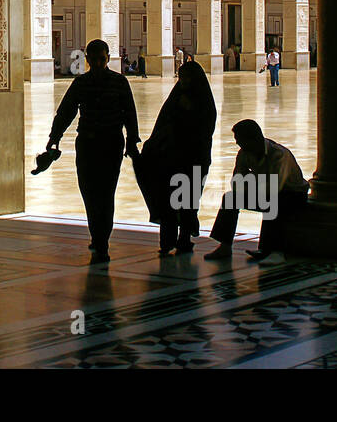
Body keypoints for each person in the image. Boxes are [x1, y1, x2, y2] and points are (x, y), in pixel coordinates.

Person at [45, 39, 140, 263]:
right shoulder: (81, 83)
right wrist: (54, 138)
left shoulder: (119, 82)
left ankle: (102, 240)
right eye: (94, 59)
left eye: (102, 59)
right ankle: (97, 235)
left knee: (105, 194)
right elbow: (66, 111)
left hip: (110, 143)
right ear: (87, 59)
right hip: (87, 144)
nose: (98, 64)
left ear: (108, 59)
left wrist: (132, 141)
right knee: (89, 192)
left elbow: (130, 113)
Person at [132, 59, 216, 256]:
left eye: (187, 78)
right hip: (171, 160)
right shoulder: (176, 98)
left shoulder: (203, 101)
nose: (184, 82)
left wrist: (189, 114)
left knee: (188, 201)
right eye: (181, 77)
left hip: (194, 158)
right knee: (169, 200)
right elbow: (163, 124)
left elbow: (205, 130)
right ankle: (167, 242)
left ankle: (184, 239)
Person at [205, 120, 309, 261]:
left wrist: (250, 182)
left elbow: (275, 187)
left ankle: (275, 252)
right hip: (267, 192)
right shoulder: (244, 153)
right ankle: (225, 246)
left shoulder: (279, 154)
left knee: (274, 202)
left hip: (293, 195)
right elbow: (236, 184)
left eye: (239, 140)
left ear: (253, 139)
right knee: (230, 198)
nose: (237, 143)